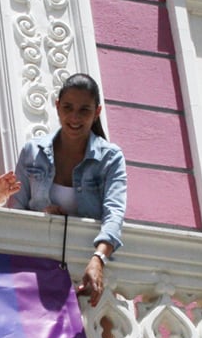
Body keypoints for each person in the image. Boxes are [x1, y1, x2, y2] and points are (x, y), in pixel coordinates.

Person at [8, 72, 127, 306]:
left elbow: (114, 213)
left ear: (97, 112)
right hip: (40, 266)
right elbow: (17, 212)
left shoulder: (110, 157)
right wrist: (43, 219)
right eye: (68, 107)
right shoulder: (33, 152)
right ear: (57, 106)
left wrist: (98, 258)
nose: (74, 117)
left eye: (84, 110)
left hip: (90, 267)